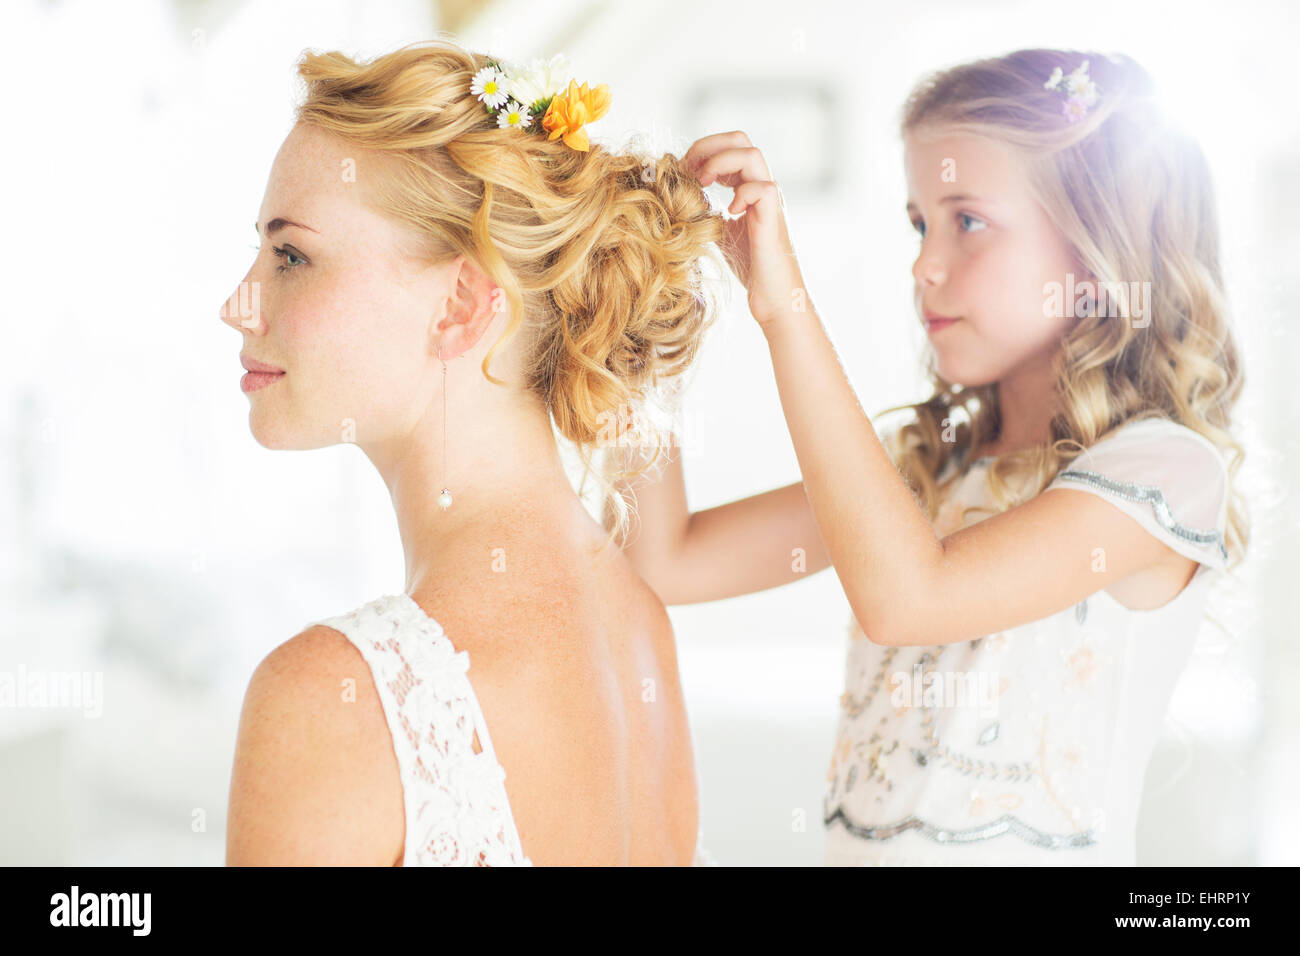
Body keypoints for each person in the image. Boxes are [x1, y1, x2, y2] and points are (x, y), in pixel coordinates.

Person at [613, 49, 1248, 865]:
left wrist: (785, 307)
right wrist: (639, 316)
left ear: (1097, 253)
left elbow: (908, 596)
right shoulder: (922, 469)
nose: (923, 264)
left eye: (967, 220)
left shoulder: (1165, 474)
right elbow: (665, 562)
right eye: (919, 222)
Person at [221, 38, 727, 866]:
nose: (237, 306)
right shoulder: (640, 626)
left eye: (291, 255)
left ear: (459, 303)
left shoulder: (333, 699)